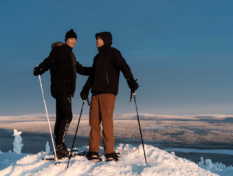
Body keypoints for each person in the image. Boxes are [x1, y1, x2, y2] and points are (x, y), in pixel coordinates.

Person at [80, 32, 138, 162]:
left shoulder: (113, 53)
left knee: (106, 122)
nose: (96, 41)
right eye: (96, 39)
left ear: (105, 40)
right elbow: (92, 76)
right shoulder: (97, 57)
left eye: (98, 39)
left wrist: (131, 81)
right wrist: (85, 89)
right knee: (94, 124)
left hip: (108, 93)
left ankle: (109, 152)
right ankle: (93, 151)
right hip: (95, 95)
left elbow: (124, 66)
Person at [33, 29, 92, 158]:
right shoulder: (59, 51)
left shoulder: (70, 55)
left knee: (61, 117)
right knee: (67, 115)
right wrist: (40, 69)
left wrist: (94, 70)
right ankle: (60, 147)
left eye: (75, 40)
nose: (74, 42)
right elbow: (48, 61)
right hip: (62, 88)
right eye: (71, 39)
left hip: (63, 89)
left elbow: (80, 69)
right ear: (66, 39)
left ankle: (59, 146)